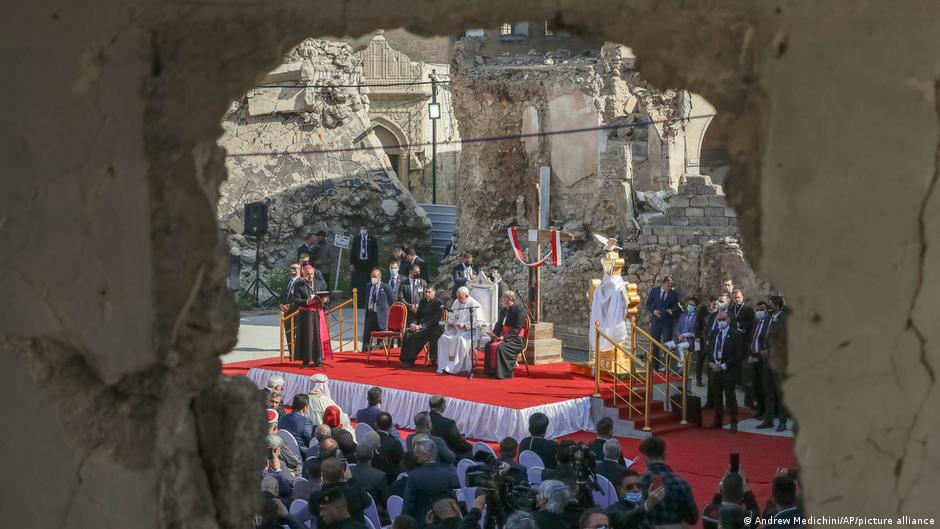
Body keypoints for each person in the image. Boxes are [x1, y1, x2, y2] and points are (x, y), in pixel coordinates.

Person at [637, 436, 698, 527]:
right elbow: (693, 518)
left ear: (645, 458)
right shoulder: (681, 483)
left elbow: (633, 515)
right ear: (665, 456)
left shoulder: (638, 483)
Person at [401, 439, 460, 527]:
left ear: (426, 456)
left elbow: (407, 508)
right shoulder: (448, 475)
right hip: (444, 525)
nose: (414, 456)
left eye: (416, 453)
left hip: (421, 525)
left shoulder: (414, 476)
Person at [707, 311, 745, 432]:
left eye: (723, 319)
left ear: (728, 319)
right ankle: (717, 421)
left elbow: (738, 355)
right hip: (715, 370)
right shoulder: (714, 333)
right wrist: (711, 363)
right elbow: (709, 350)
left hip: (728, 371)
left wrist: (723, 366)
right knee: (717, 398)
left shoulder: (736, 334)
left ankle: (734, 422)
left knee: (730, 397)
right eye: (719, 320)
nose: (721, 322)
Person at [436, 287, 487, 375]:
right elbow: (452, 316)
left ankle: (458, 368)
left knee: (460, 340)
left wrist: (465, 325)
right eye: (457, 296)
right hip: (456, 330)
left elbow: (479, 322)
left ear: (467, 295)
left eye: (460, 297)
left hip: (470, 331)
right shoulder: (456, 302)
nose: (458, 299)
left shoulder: (474, 304)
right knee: (443, 338)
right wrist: (451, 323)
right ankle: (444, 365)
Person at [308, 459, 372, 525]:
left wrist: (323, 486)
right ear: (343, 474)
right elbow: (367, 502)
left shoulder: (316, 497)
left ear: (323, 476)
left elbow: (313, 512)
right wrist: (351, 480)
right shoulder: (355, 492)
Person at [760, 295, 790, 432]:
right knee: (768, 390)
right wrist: (762, 349)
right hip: (766, 360)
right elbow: (763, 337)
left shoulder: (784, 319)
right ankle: (768, 419)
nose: (768, 306)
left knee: (780, 391)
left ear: (777, 305)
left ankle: (782, 421)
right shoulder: (767, 319)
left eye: (771, 304)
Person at [481, 291, 527, 379]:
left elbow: (517, 329)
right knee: (488, 345)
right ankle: (491, 372)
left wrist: (504, 337)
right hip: (503, 337)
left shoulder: (519, 310)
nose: (502, 299)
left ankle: (503, 373)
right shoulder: (503, 310)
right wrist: (494, 335)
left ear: (509, 299)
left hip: (515, 339)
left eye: (504, 298)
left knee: (500, 348)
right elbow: (499, 325)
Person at [293, 264, 332, 367]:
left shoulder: (320, 283)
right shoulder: (299, 285)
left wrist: (325, 300)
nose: (310, 276)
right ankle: (306, 360)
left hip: (318, 314)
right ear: (303, 274)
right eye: (308, 274)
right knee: (306, 337)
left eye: (311, 274)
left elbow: (327, 297)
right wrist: (308, 301)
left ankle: (318, 359)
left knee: (318, 337)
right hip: (305, 315)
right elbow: (296, 300)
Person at [400, 286, 444, 367]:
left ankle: (410, 360)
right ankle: (404, 359)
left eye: (429, 292)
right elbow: (417, 316)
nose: (427, 294)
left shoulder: (438, 303)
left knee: (417, 335)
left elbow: (435, 320)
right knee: (408, 333)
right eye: (426, 292)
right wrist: (413, 323)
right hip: (422, 327)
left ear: (434, 292)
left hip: (433, 328)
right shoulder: (423, 301)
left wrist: (420, 326)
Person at [645, 276, 680, 371]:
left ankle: (666, 366)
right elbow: (648, 304)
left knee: (667, 344)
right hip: (656, 321)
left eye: (671, 286)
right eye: (668, 286)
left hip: (667, 322)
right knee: (655, 343)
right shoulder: (654, 291)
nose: (669, 288)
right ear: (663, 284)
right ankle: (655, 366)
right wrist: (654, 311)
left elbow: (676, 308)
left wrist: (671, 311)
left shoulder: (673, 294)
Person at [351, 444, 390, 523]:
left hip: (353, 515)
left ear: (355, 455)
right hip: (376, 518)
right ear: (372, 455)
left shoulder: (349, 472)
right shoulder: (379, 476)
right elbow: (385, 501)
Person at [745, 301, 771, 416]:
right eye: (758, 310)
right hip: (753, 357)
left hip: (763, 359)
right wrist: (750, 354)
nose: (759, 312)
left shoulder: (768, 323)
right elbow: (751, 339)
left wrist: (760, 356)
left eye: (762, 309)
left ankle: (767, 411)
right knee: (756, 386)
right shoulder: (756, 323)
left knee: (765, 386)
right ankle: (759, 409)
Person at [428, 395, 472, 461]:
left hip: (429, 452)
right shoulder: (449, 423)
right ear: (442, 405)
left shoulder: (423, 419)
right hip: (447, 457)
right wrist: (471, 447)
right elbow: (460, 443)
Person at [362, 268, 395, 352]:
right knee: (367, 335)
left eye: (375, 277)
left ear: (379, 277)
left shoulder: (386, 287)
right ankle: (365, 351)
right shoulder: (368, 286)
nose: (373, 278)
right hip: (370, 314)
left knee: (381, 338)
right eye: (372, 276)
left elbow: (392, 302)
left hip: (381, 316)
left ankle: (381, 351)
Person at [350, 224, 379, 307]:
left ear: (367, 229)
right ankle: (357, 303)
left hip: (368, 264)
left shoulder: (372, 240)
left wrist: (375, 265)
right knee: (357, 284)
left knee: (368, 283)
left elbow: (375, 253)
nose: (362, 230)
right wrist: (351, 263)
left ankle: (367, 302)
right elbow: (352, 252)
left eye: (364, 229)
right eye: (361, 228)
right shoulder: (356, 239)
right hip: (358, 264)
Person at [667, 297, 700, 368]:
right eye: (689, 304)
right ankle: (664, 367)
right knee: (666, 345)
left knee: (679, 347)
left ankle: (680, 369)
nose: (690, 306)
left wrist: (684, 335)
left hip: (690, 341)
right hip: (679, 340)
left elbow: (696, 332)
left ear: (696, 307)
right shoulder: (683, 315)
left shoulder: (697, 317)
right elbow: (677, 328)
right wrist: (679, 335)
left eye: (692, 305)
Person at [695, 296, 719, 387]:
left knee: (711, 359)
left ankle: (712, 379)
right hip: (700, 338)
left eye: (717, 304)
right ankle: (698, 379)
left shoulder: (718, 312)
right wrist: (697, 336)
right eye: (714, 304)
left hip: (712, 339)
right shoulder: (703, 309)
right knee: (700, 359)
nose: (715, 306)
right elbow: (697, 323)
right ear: (709, 302)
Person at [374, 412, 405, 480]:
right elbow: (401, 462)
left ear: (375, 424)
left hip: (373, 474)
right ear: (391, 426)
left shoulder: (369, 438)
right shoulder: (394, 443)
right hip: (390, 478)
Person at [263, 434, 294, 502]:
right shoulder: (280, 465)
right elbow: (290, 484)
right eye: (279, 446)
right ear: (275, 449)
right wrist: (279, 470)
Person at [280, 263, 303, 348]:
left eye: (295, 268)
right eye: (291, 268)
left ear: (300, 270)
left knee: (298, 333)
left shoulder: (302, 281)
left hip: (297, 311)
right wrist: (282, 304)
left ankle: (298, 353)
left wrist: (290, 306)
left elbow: (301, 297)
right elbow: (282, 295)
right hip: (286, 312)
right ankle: (291, 353)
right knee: (288, 333)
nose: (292, 270)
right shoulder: (287, 281)